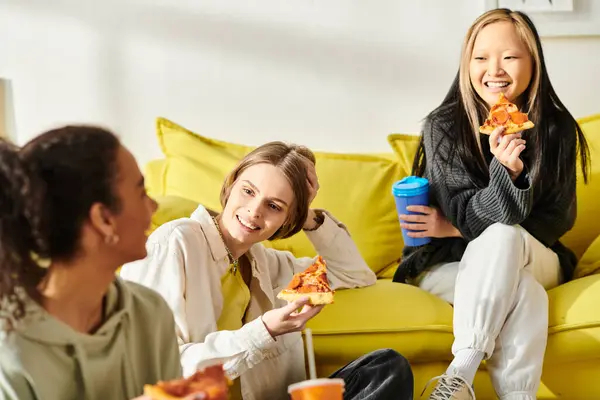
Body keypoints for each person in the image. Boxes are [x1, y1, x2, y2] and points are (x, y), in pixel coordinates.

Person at [393, 8, 589, 400]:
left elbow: (557, 219)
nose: (494, 70)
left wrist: (459, 219)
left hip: (537, 253)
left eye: (510, 57)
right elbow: (466, 212)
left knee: (504, 234)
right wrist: (504, 177)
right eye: (481, 58)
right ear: (467, 65)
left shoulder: (558, 128)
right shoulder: (444, 126)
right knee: (525, 292)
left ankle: (459, 373)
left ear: (533, 62)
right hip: (446, 263)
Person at [120, 141, 415, 400]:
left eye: (274, 206)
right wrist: (265, 331)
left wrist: (308, 217)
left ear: (287, 220)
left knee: (385, 368)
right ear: (232, 182)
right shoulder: (175, 243)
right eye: (248, 191)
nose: (255, 211)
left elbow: (353, 273)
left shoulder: (265, 262)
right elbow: (158, 369)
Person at [0, 126, 184, 399]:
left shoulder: (151, 314)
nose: (154, 207)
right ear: (104, 219)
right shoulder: (10, 350)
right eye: (141, 192)